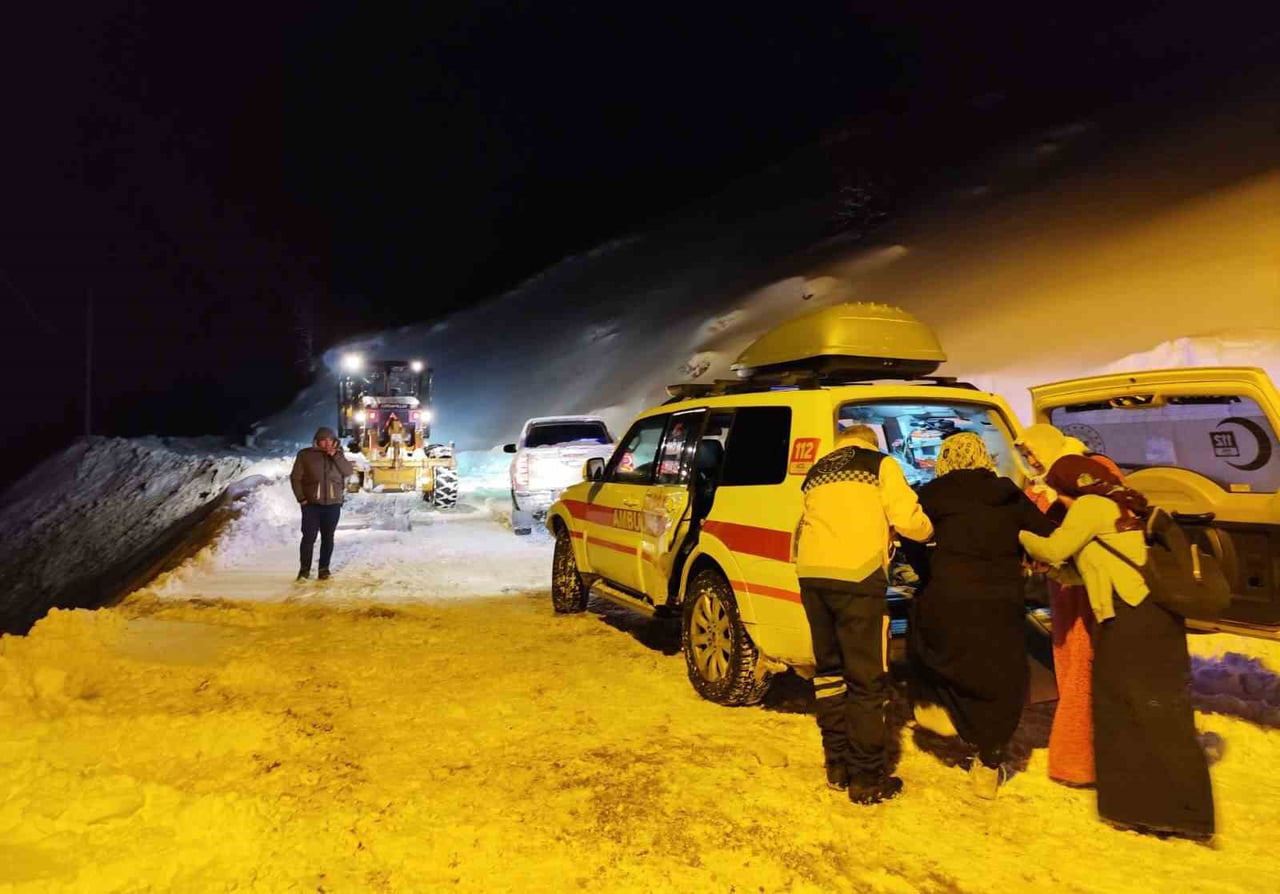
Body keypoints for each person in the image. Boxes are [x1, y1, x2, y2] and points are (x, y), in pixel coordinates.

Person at [1020, 456, 1214, 839]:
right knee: (1121, 711)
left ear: (1067, 487)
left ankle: (1181, 813)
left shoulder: (1092, 505)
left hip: (1136, 619)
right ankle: (1138, 806)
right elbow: (1083, 566)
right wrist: (1056, 572)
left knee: (1147, 712)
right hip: (1132, 618)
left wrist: (1017, 533)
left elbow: (1053, 548)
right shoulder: (1118, 503)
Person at [907, 432, 1057, 799]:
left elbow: (910, 536)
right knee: (999, 676)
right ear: (983, 456)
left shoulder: (932, 493)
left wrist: (929, 571)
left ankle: (938, 709)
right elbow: (1046, 534)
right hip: (1000, 599)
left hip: (947, 594)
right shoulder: (1007, 493)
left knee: (935, 651)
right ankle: (988, 761)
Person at [795, 424, 934, 805]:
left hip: (812, 577)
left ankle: (836, 766)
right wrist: (929, 532)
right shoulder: (880, 464)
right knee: (867, 680)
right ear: (871, 441)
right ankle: (867, 778)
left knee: (829, 674)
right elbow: (907, 520)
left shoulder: (818, 470)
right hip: (857, 577)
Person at [1015, 424, 1095, 786]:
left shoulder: (1083, 474)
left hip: (1083, 583)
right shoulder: (1045, 482)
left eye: (1032, 453)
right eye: (1025, 455)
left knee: (1081, 667)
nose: (1030, 461)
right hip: (1062, 583)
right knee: (1069, 663)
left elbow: (1059, 537)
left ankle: (1076, 761)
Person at [290, 427, 354, 581]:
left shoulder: (339, 455)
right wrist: (301, 499)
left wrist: (335, 456)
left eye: (330, 440)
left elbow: (347, 471)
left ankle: (324, 569)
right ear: (317, 441)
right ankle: (304, 570)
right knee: (309, 537)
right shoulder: (305, 455)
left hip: (333, 504)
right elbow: (295, 478)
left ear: (334, 441)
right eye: (323, 440)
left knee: (328, 537)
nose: (327, 443)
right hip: (311, 504)